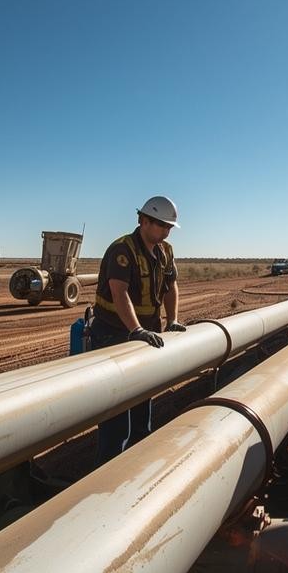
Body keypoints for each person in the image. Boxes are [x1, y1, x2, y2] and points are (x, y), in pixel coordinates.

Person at [86, 195, 186, 462]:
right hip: (113, 333)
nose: (165, 232)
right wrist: (136, 329)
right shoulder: (123, 250)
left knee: (143, 398)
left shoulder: (166, 251)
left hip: (146, 334)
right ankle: (109, 466)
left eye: (168, 228)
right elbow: (120, 293)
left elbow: (171, 286)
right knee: (117, 408)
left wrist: (172, 319)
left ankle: (137, 462)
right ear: (143, 220)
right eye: (161, 226)